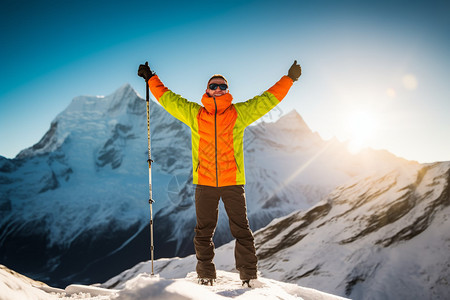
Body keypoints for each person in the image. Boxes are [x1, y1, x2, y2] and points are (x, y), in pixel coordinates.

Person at [138, 61, 301, 286]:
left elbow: (267, 100)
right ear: (207, 90)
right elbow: (169, 99)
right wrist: (151, 78)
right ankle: (205, 275)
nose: (218, 89)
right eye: (214, 86)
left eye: (222, 86)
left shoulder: (238, 114)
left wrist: (289, 79)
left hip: (232, 182)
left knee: (241, 230)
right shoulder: (194, 114)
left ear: (227, 90)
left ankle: (249, 277)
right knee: (203, 232)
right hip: (204, 182)